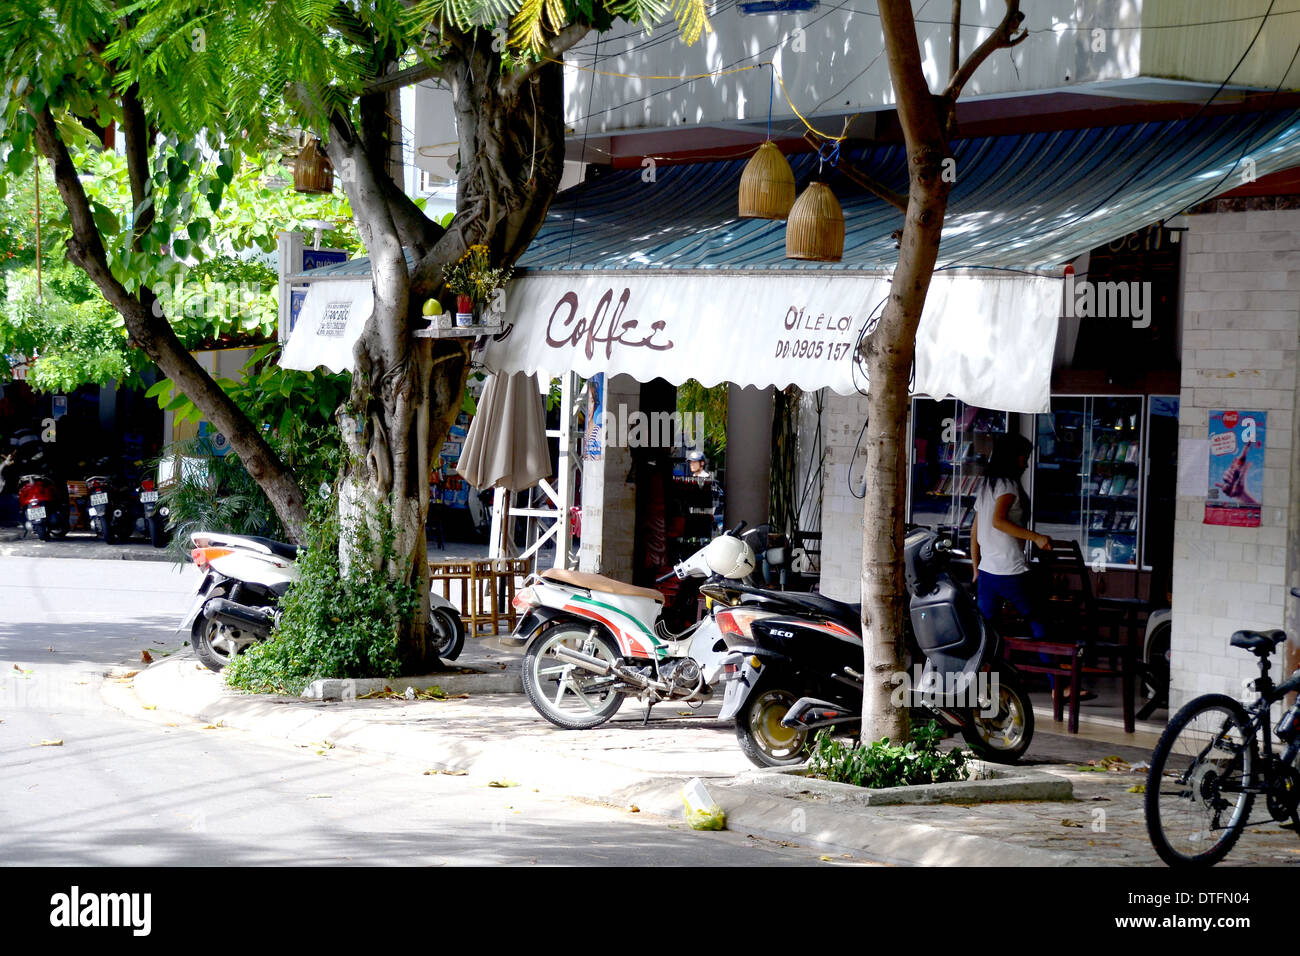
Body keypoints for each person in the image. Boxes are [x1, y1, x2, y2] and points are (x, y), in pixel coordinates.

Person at [970, 434, 1050, 639]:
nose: (1026, 464)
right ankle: (1050, 669)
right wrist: (1036, 537)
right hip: (1010, 569)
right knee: (1038, 618)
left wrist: (975, 568)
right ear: (1013, 457)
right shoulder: (1008, 486)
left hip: (987, 572)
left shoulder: (987, 486)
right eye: (1024, 458)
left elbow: (974, 530)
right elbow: (999, 521)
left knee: (986, 630)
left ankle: (986, 669)